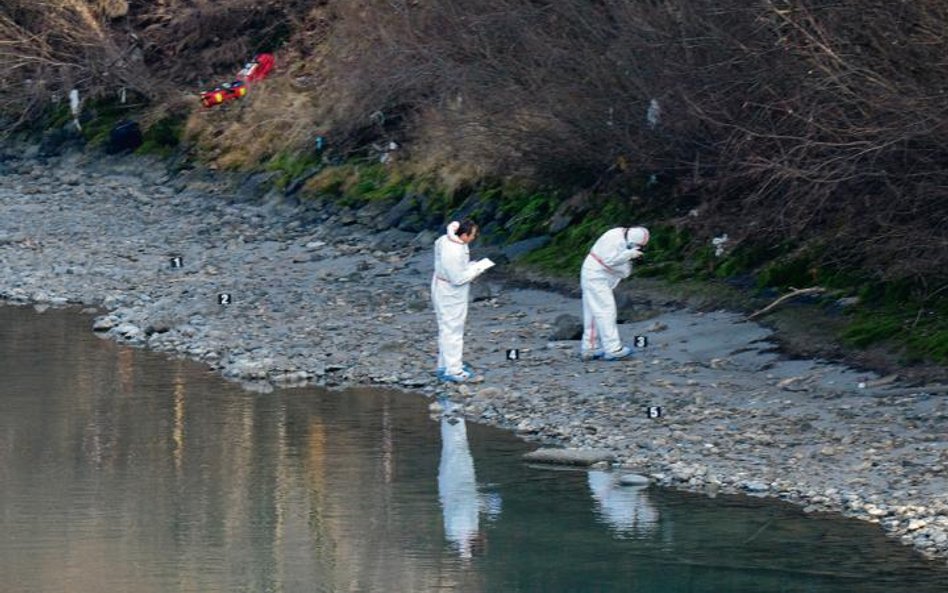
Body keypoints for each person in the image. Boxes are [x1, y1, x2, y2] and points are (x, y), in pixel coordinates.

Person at [431, 219, 492, 382]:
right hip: (450, 293)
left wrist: (467, 266)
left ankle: (444, 365)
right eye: (472, 235)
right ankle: (454, 370)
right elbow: (457, 279)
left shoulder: (444, 240)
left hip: (442, 286)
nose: (474, 238)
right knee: (453, 330)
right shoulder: (453, 251)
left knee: (446, 328)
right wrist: (477, 268)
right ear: (463, 235)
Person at [580, 226, 650, 361]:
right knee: (606, 311)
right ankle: (613, 349)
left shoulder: (620, 237)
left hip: (596, 275)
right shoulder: (613, 239)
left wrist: (630, 256)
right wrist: (630, 254)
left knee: (593, 312)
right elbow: (609, 261)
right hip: (596, 277)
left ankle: (590, 347)